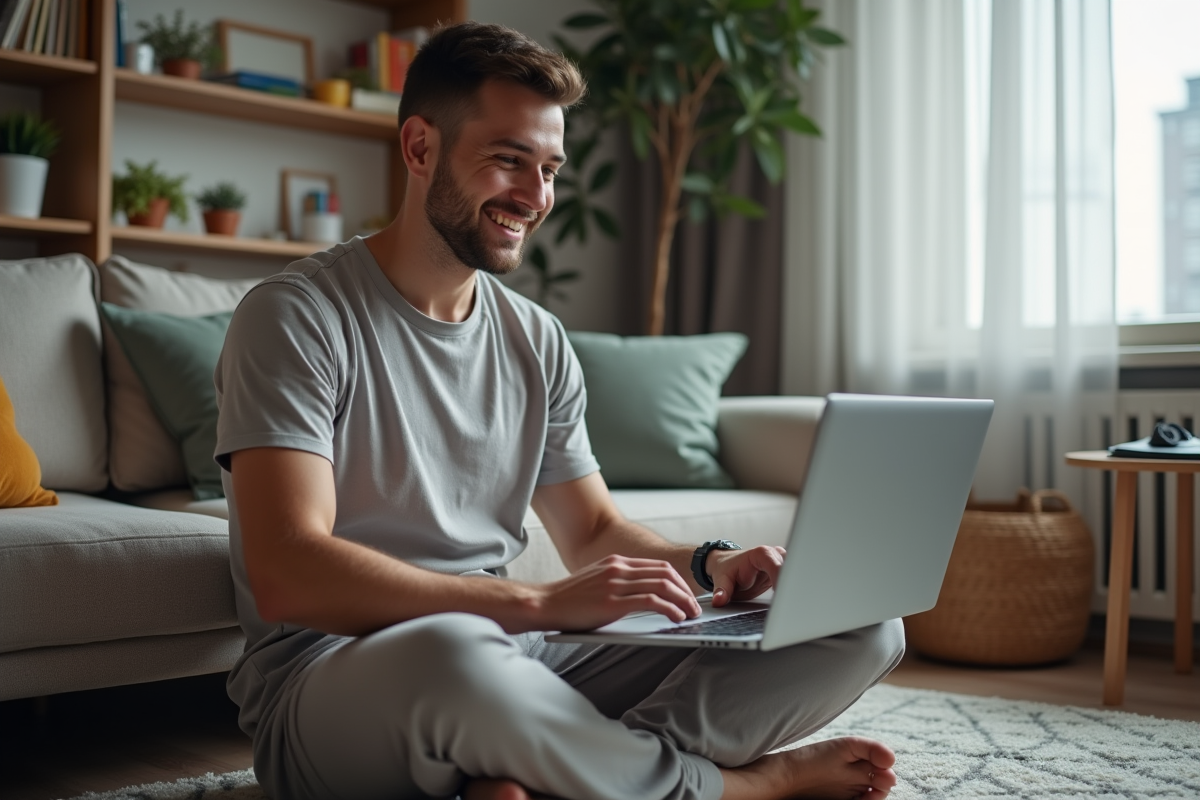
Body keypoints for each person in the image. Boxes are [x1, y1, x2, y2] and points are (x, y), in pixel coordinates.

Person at [214, 20, 905, 800]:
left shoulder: (536, 338)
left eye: (548, 169)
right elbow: (289, 571)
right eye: (508, 160)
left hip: (516, 657)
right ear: (420, 147)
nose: (536, 197)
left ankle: (560, 774)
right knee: (456, 655)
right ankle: (741, 788)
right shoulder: (296, 316)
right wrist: (536, 602)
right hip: (341, 676)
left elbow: (595, 531)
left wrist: (713, 563)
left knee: (861, 622)